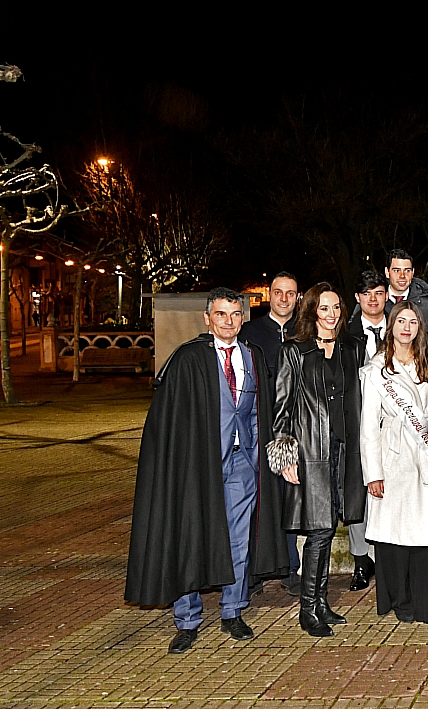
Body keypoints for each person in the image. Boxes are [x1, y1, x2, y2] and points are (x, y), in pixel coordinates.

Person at [126, 288, 290, 654]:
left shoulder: (253, 355)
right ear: (207, 318)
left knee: (238, 541)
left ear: (243, 318)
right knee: (190, 537)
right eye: (221, 314)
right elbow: (167, 418)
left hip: (243, 464)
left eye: (235, 314)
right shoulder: (188, 359)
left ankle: (233, 610)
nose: (228, 321)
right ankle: (187, 620)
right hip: (198, 467)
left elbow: (261, 410)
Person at [268, 283, 367, 637]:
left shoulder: (353, 348)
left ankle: (321, 603)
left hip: (344, 452)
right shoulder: (293, 351)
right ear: (311, 311)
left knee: (330, 526)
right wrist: (285, 456)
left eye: (336, 307)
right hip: (311, 453)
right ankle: (308, 608)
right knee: (319, 530)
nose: (332, 314)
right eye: (324, 308)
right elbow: (282, 407)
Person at [359, 301, 428, 624]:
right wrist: (373, 473)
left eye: (413, 322)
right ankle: (401, 601)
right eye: (401, 321)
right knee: (397, 533)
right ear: (391, 325)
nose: (407, 327)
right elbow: (368, 426)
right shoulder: (377, 368)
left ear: (420, 327)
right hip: (393, 457)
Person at [238, 271, 301, 593]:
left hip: (295, 427)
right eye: (278, 292)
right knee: (258, 498)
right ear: (270, 295)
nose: (284, 298)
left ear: (298, 297)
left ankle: (289, 567)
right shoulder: (250, 332)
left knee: (289, 498)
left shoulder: (305, 331)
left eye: (290, 293)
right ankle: (255, 571)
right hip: (258, 425)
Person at [340, 270, 390, 592]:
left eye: (379, 292)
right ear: (358, 298)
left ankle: (387, 557)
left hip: (397, 424)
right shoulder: (345, 334)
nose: (373, 299)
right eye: (366, 293)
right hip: (358, 422)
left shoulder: (402, 329)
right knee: (358, 488)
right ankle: (361, 559)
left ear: (386, 296)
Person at [384, 249, 428, 348]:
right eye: (397, 270)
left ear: (413, 272)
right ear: (387, 272)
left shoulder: (427, 305)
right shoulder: (375, 302)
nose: (402, 276)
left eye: (407, 270)